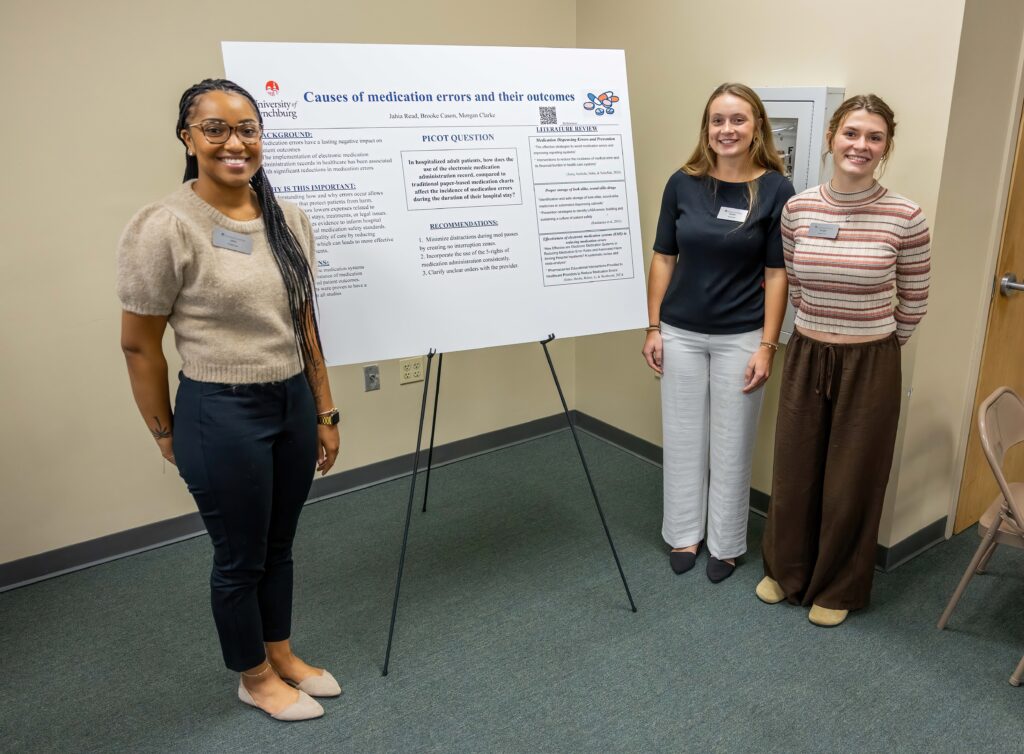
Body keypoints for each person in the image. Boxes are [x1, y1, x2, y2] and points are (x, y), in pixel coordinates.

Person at [118, 79, 342, 721]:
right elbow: (139, 345)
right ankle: (253, 676)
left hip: (291, 400)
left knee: (279, 545)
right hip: (221, 410)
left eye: (247, 128)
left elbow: (305, 324)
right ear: (187, 138)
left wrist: (324, 411)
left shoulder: (288, 218)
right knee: (240, 556)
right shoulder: (165, 225)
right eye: (214, 128)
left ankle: (281, 654)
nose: (234, 142)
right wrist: (166, 432)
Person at [757, 94, 930, 626]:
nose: (861, 145)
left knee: (853, 477)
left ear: (886, 147)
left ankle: (837, 586)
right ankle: (786, 571)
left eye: (874, 137)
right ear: (832, 136)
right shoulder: (798, 209)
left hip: (870, 361)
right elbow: (793, 282)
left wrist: (875, 345)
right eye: (851, 133)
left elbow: (915, 299)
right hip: (807, 353)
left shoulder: (906, 216)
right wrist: (817, 332)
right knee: (795, 470)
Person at [642, 83, 793, 583]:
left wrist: (768, 345)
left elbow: (777, 274)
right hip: (680, 333)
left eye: (738, 120)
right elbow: (664, 257)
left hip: (742, 337)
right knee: (682, 438)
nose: (727, 130)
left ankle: (726, 545)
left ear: (757, 127)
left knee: (733, 443)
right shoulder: (682, 184)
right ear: (706, 128)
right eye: (718, 120)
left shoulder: (775, 189)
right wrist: (653, 326)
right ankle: (683, 533)